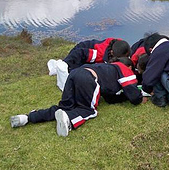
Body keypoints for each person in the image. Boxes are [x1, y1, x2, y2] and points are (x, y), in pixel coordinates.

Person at [10, 57, 144, 137]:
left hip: (75, 73)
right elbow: (134, 96)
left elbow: (110, 98)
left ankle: (27, 118)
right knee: (88, 110)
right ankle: (69, 120)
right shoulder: (125, 69)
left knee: (65, 106)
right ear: (128, 66)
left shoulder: (107, 67)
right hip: (89, 79)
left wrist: (121, 97)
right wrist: (141, 98)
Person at [48, 37, 131, 91]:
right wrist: (66, 64)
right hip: (81, 53)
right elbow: (79, 53)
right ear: (112, 53)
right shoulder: (99, 54)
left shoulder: (122, 47)